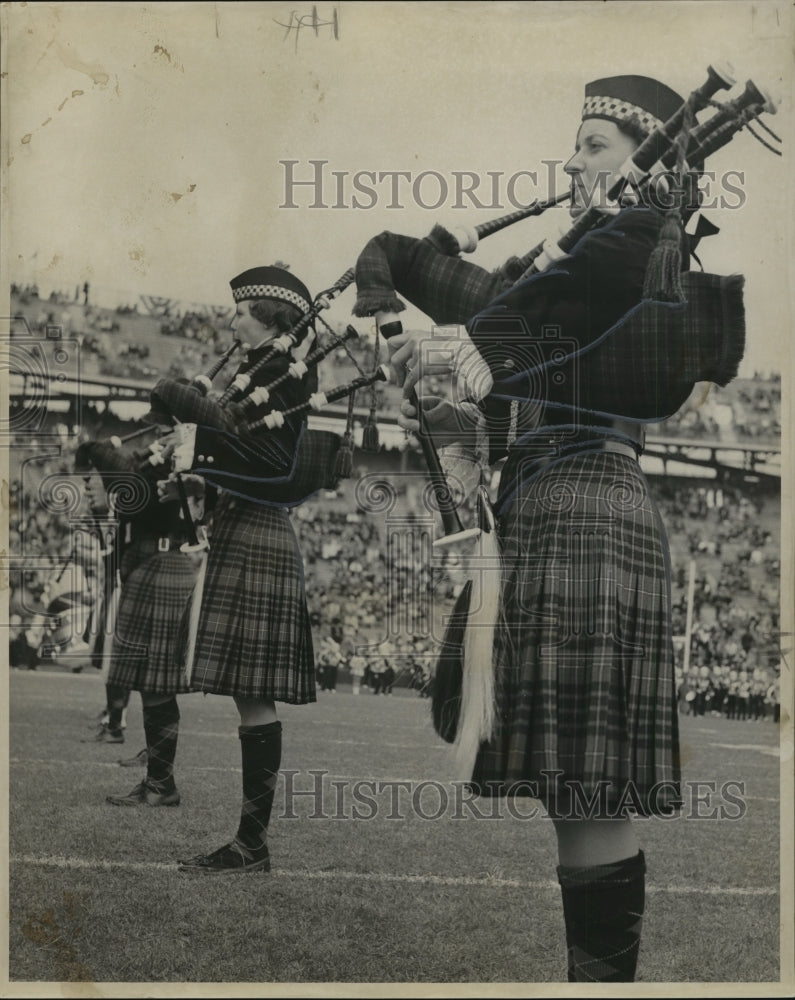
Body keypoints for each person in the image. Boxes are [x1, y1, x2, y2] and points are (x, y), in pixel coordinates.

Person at [360, 75, 745, 982]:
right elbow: (422, 266)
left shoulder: (641, 236)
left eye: (594, 145)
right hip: (547, 507)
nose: (571, 161)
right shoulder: (566, 267)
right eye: (571, 145)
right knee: (575, 792)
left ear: (644, 160)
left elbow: (539, 305)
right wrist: (404, 279)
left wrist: (463, 342)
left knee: (586, 785)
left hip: (583, 503)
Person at [150, 265, 320, 874]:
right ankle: (251, 842)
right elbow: (232, 442)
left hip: (259, 531)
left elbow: (259, 449)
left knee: (254, 695)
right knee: (249, 694)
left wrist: (182, 400)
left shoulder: (284, 368)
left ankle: (252, 843)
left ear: (270, 316)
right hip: (243, 527)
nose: (231, 320)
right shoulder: (264, 366)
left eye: (241, 311)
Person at [76, 433, 202, 802]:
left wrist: (92, 449)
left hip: (160, 567)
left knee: (156, 682)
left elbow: (121, 471)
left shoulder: (167, 467)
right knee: (152, 682)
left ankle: (161, 781)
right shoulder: (158, 465)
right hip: (154, 566)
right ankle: (159, 777)